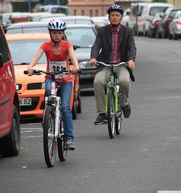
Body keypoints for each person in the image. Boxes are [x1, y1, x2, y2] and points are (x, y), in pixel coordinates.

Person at [27, 18, 79, 150]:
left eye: (60, 32)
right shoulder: (46, 46)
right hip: (52, 78)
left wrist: (75, 67)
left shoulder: (67, 45)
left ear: (63, 33)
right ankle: (47, 116)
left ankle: (68, 138)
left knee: (66, 107)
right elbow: (36, 58)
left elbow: (73, 57)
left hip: (66, 79)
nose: (57, 35)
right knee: (49, 99)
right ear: (50, 33)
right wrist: (30, 67)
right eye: (54, 32)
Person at [90, 4, 137, 125]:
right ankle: (102, 113)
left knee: (124, 81)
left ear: (121, 18)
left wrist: (131, 60)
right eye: (112, 15)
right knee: (98, 82)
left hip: (122, 64)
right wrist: (94, 58)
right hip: (106, 64)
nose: (115, 17)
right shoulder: (102, 31)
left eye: (117, 15)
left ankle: (125, 103)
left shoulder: (127, 31)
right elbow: (97, 45)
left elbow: (132, 47)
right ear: (109, 17)